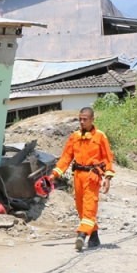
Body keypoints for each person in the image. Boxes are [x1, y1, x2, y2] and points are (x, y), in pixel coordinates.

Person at [50, 107, 115, 252]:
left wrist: (108, 178)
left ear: (92, 119)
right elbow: (66, 158)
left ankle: (82, 235)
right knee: (81, 208)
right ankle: (94, 236)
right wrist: (54, 174)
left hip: (92, 176)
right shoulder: (74, 136)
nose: (82, 121)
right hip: (78, 176)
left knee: (89, 206)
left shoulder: (100, 136)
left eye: (85, 119)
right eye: (80, 119)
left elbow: (108, 158)